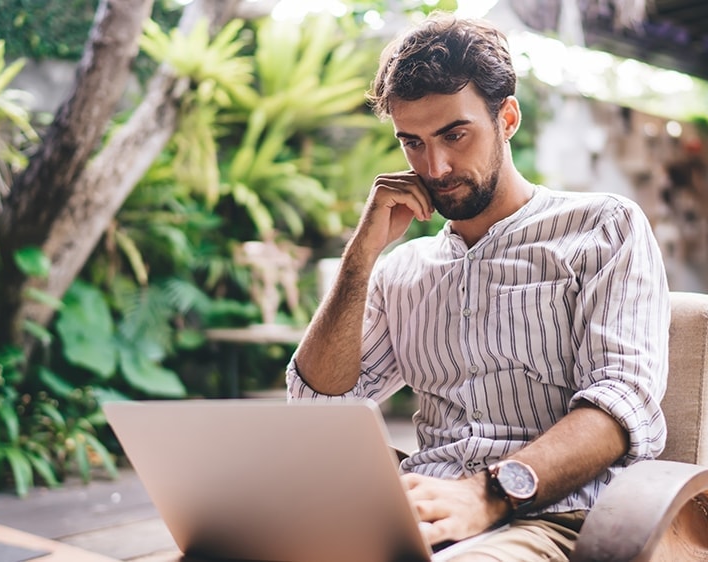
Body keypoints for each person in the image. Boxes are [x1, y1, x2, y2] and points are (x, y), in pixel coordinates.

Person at [286, 13, 670, 562]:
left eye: (454, 134)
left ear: (507, 118)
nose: (435, 166)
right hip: (419, 509)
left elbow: (619, 407)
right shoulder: (403, 270)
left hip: (553, 520)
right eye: (412, 143)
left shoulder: (603, 229)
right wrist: (361, 257)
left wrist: (487, 494)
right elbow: (317, 406)